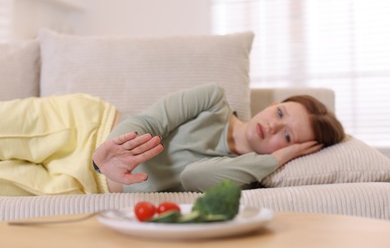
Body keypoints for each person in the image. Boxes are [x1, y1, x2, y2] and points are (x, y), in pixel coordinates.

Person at [0, 84, 344, 196]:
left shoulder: (240, 174)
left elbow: (194, 177)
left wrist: (276, 160)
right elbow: (151, 120)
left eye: (286, 136)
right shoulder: (212, 99)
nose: (271, 126)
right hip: (85, 127)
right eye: (280, 114)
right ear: (273, 105)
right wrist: (108, 152)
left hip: (89, 186)